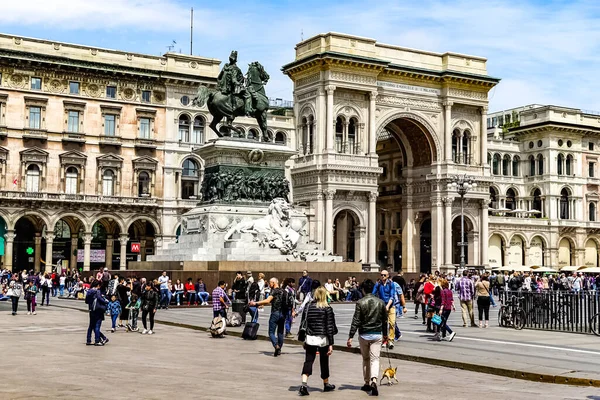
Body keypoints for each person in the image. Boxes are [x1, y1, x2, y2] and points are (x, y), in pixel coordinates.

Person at [347, 279, 387, 396]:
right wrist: (385, 334)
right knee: (375, 359)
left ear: (363, 289)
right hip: (376, 334)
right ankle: (374, 380)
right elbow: (384, 321)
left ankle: (367, 382)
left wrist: (350, 336)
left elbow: (356, 320)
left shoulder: (360, 302)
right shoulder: (380, 302)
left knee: (366, 359)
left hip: (364, 334)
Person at [298, 287, 338, 396]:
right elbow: (330, 327)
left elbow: (303, 323)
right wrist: (331, 344)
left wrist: (303, 339)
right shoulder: (327, 308)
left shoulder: (308, 307)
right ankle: (326, 384)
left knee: (308, 361)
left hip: (310, 337)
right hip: (323, 338)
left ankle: (304, 384)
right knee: (324, 361)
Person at [250, 278, 288, 356]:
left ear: (273, 283)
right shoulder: (284, 291)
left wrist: (256, 303)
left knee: (271, 332)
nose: (269, 285)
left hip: (275, 313)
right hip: (283, 314)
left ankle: (276, 345)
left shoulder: (274, 291)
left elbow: (268, 300)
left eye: (270, 283)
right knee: (280, 332)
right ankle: (279, 349)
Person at [372, 270, 396, 349]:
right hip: (382, 306)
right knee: (384, 324)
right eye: (381, 275)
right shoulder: (378, 284)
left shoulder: (391, 284)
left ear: (388, 275)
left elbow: (392, 296)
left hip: (390, 305)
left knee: (392, 323)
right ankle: (385, 340)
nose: (382, 276)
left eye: (384, 275)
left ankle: (391, 340)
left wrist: (388, 306)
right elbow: (373, 294)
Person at [85, 280, 109, 346]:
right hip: (98, 310)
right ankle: (97, 340)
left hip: (91, 310)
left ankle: (88, 340)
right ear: (98, 285)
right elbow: (100, 299)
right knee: (97, 326)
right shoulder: (97, 291)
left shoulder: (89, 291)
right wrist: (106, 302)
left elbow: (86, 301)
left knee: (91, 326)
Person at [391, 275, 408, 342]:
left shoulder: (395, 285)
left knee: (392, 321)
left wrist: (404, 307)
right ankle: (397, 334)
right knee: (391, 321)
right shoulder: (383, 285)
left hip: (395, 305)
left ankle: (395, 335)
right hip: (388, 305)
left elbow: (401, 295)